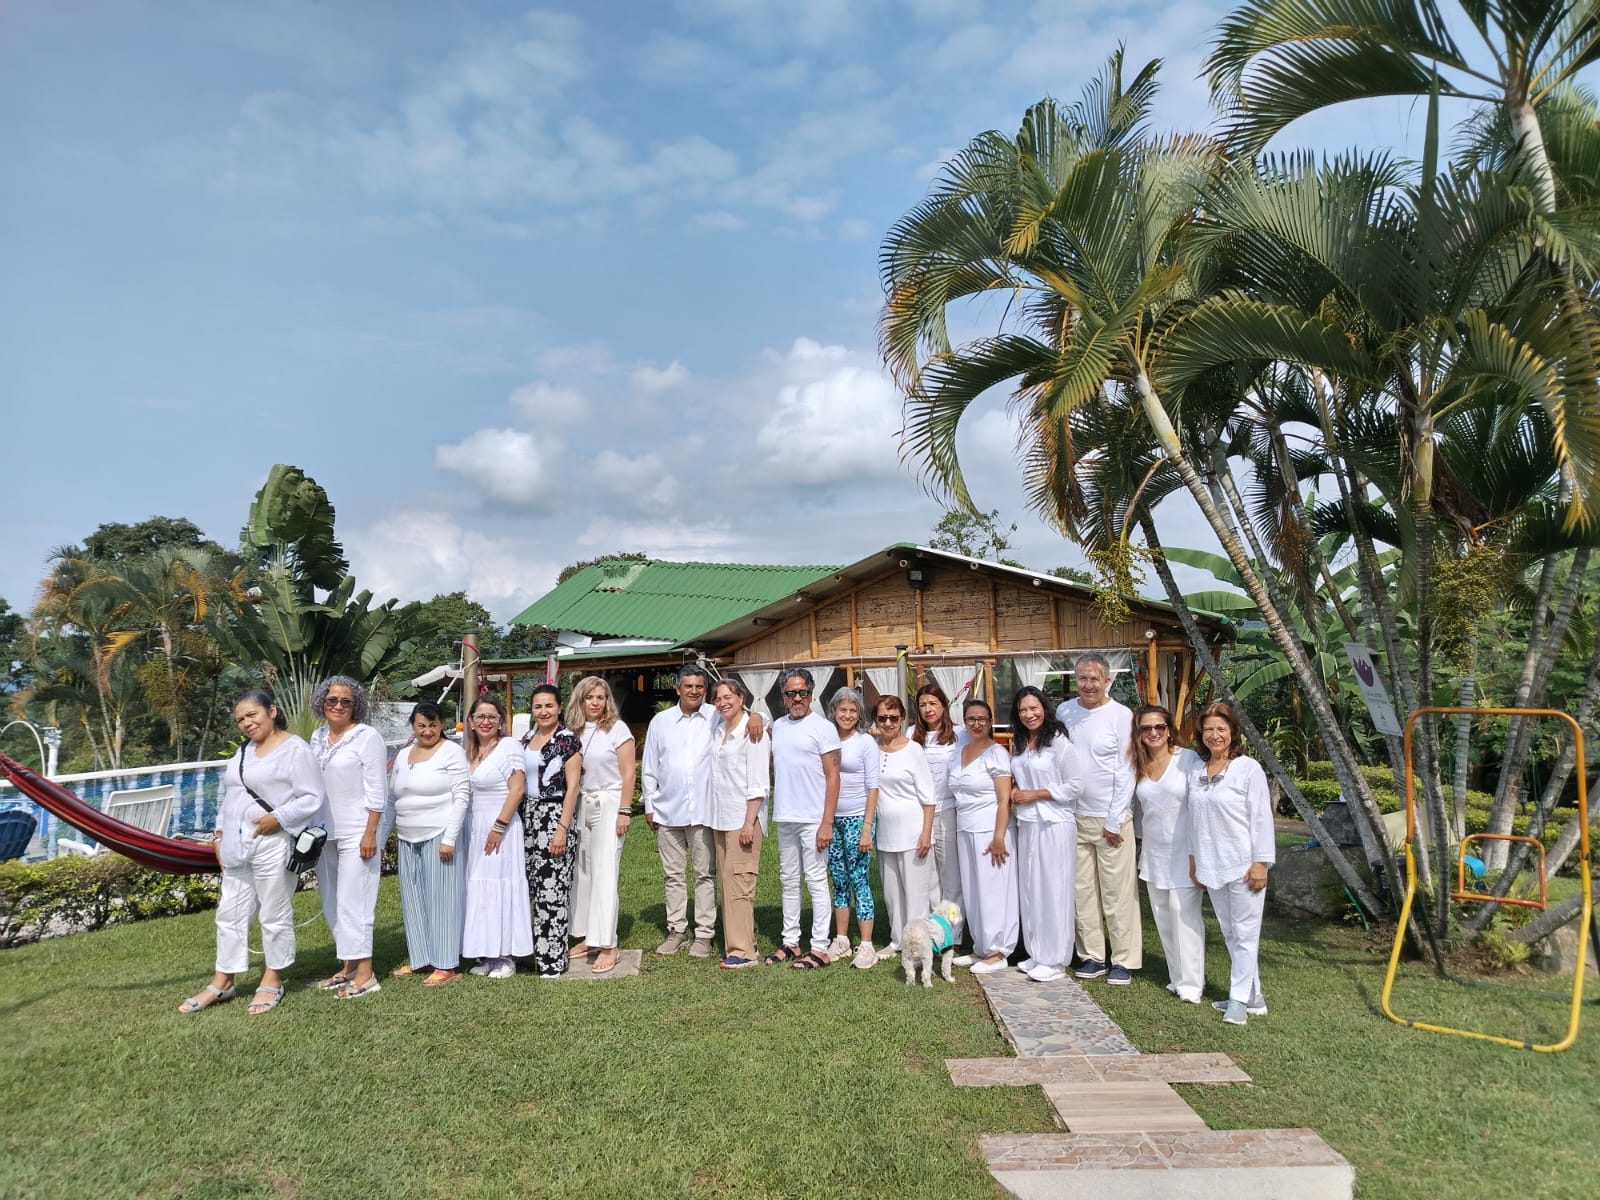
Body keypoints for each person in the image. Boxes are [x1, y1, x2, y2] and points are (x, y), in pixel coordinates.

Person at [180, 689, 328, 1016]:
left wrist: (279, 817)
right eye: (241, 720)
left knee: (273, 913)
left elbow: (311, 797)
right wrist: (219, 833)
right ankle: (223, 982)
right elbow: (231, 795)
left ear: (271, 711)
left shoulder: (295, 750)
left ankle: (272, 979)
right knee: (229, 915)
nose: (247, 723)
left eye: (252, 715)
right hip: (235, 844)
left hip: (274, 843)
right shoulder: (243, 753)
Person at [1055, 653, 1141, 984]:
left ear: (1107, 680)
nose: (1088, 685)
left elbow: (1127, 769)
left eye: (1095, 679)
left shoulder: (1121, 715)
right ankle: (1092, 955)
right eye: (1083, 679)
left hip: (1111, 819)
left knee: (1117, 893)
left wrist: (1114, 819)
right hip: (1074, 817)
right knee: (1082, 892)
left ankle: (1123, 959)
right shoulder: (1065, 712)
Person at [1188, 701, 1274, 1025]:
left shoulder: (1247, 769)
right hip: (1211, 864)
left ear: (1232, 732)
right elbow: (1192, 821)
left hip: (1243, 864)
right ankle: (1253, 997)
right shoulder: (1197, 771)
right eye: (1208, 729)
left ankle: (1238, 1000)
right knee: (1230, 932)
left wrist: (1261, 863)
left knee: (1246, 933)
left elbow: (1261, 819)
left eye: (1220, 729)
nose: (1214, 735)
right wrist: (1194, 860)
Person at [308, 675, 388, 1000]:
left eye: (345, 701)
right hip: (324, 832)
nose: (338, 705)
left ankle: (366, 974)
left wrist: (371, 833)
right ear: (322, 703)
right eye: (332, 700)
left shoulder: (367, 737)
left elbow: (377, 790)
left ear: (356, 705)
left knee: (356, 903)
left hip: (358, 832)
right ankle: (348, 966)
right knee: (332, 903)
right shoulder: (316, 737)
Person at [641, 664, 721, 958]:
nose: (694, 691)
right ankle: (677, 929)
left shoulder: (716, 716)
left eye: (700, 686)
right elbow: (650, 767)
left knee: (704, 874)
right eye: (689, 686)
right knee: (673, 875)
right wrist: (649, 804)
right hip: (668, 810)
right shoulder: (661, 722)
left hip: (703, 810)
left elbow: (753, 718)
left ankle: (704, 934)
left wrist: (755, 719)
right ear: (677, 688)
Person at [389, 700, 471, 987]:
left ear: (442, 725)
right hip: (407, 836)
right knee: (413, 899)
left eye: (433, 725)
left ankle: (446, 964)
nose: (427, 731)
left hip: (439, 834)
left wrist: (450, 838)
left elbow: (462, 795)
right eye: (421, 725)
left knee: (442, 900)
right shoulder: (402, 755)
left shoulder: (452, 752)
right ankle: (421, 958)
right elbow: (392, 798)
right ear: (413, 725)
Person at [765, 667, 841, 969]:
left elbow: (833, 777)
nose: (797, 698)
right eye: (791, 693)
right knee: (788, 880)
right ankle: (791, 942)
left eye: (803, 693)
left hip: (813, 818)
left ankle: (820, 946)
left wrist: (826, 822)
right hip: (785, 815)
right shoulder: (779, 726)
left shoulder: (823, 728)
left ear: (811, 694)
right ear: (783, 696)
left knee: (816, 880)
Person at [1008, 686, 1084, 983]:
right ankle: (1037, 952)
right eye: (1023, 710)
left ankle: (1055, 959)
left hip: (1055, 823)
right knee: (1032, 888)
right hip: (1029, 823)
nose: (1029, 714)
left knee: (1054, 889)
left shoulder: (1058, 742)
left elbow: (1076, 785)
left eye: (1034, 708)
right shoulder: (1021, 742)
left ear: (1044, 708)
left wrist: (1035, 794)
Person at [1133, 703, 1206, 1004]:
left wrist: (1197, 853)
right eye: (1146, 728)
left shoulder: (1187, 760)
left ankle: (1192, 982)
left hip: (1185, 852)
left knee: (1184, 914)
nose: (1153, 733)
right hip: (1153, 852)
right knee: (1163, 916)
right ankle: (1176, 977)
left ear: (1169, 730)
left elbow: (1202, 805)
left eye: (1159, 727)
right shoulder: (1136, 765)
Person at [567, 676, 635, 976]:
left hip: (609, 802)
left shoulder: (617, 730)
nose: (595, 703)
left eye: (600, 697)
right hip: (582, 803)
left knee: (605, 872)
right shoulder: (572, 731)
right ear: (580, 701)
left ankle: (608, 944)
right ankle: (588, 936)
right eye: (589, 697)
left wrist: (624, 810)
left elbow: (629, 772)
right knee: (584, 873)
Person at [462, 696, 532, 978]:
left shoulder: (510, 747)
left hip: (500, 827)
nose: (486, 721)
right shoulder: (467, 751)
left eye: (492, 717)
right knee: (479, 890)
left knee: (500, 887)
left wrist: (499, 826)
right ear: (471, 721)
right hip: (474, 826)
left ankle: (506, 957)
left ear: (502, 721)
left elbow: (517, 789)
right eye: (480, 716)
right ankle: (487, 954)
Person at [948, 698, 1016, 975]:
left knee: (994, 889)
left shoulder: (996, 753)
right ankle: (981, 947)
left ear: (990, 722)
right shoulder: (960, 750)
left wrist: (999, 837)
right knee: (973, 889)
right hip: (965, 828)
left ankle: (1000, 950)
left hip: (991, 829)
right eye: (971, 719)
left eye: (982, 719)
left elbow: (1004, 800)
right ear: (964, 722)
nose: (977, 724)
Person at [520, 683, 583, 978]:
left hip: (555, 815)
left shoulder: (567, 741)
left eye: (549, 706)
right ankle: (535, 952)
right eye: (537, 706)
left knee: (553, 890)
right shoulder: (525, 739)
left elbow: (573, 789)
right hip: (529, 816)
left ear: (559, 708)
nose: (543, 711)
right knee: (533, 888)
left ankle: (554, 960)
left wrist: (561, 829)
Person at [707, 679, 770, 969]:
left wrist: (749, 822)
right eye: (718, 698)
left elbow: (759, 782)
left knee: (740, 884)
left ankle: (743, 952)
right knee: (728, 883)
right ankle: (744, 940)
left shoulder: (752, 730)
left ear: (741, 697)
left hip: (743, 820)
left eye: (728, 696)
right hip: (721, 818)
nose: (723, 702)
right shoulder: (718, 728)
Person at [872, 695, 936, 966]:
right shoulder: (871, 748)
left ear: (902, 719)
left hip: (913, 831)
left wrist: (926, 833)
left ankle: (918, 946)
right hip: (886, 833)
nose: (888, 723)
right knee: (892, 893)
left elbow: (929, 797)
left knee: (917, 893)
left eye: (893, 718)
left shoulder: (914, 750)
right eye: (882, 718)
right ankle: (897, 940)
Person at [825, 687, 880, 967]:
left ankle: (867, 944)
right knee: (839, 878)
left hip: (859, 817)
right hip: (833, 820)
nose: (847, 715)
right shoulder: (826, 739)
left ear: (858, 714)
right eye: (842, 709)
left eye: (852, 710)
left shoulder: (865, 743)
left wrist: (867, 826)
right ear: (833, 711)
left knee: (859, 878)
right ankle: (842, 939)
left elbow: (874, 786)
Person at [912, 682, 965, 945]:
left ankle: (952, 935)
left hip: (947, 811)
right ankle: (931, 930)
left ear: (943, 705)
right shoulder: (911, 735)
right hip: (919, 815)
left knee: (950, 876)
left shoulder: (960, 735)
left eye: (933, 703)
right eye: (923, 705)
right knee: (928, 876)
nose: (928, 709)